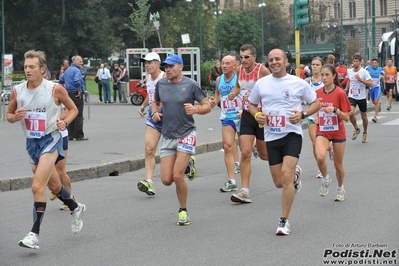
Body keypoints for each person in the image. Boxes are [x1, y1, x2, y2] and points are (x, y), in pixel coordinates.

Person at [6, 50, 86, 249]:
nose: (28, 70)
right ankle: (76, 208)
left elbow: (73, 109)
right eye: (25, 67)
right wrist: (14, 117)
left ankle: (34, 235)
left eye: (32, 67)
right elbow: (8, 114)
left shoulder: (54, 89)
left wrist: (64, 122)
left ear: (42, 69)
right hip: (32, 143)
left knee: (37, 186)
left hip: (51, 139)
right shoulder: (18, 90)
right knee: (53, 186)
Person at [248, 48, 321, 235]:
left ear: (286, 61)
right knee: (279, 182)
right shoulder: (262, 83)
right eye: (271, 59)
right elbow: (251, 104)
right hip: (271, 135)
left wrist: (303, 114)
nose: (274, 62)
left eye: (277, 59)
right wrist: (257, 114)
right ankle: (296, 176)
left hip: (292, 134)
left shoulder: (298, 83)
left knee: (285, 177)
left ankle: (284, 221)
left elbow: (316, 103)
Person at [151, 54, 211, 225]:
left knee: (177, 176)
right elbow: (155, 102)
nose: (167, 70)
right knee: (166, 180)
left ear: (180, 67)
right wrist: (155, 112)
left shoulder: (190, 85)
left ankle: (183, 210)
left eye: (170, 66)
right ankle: (188, 164)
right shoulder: (161, 84)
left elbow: (207, 105)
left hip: (186, 133)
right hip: (168, 135)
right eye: (165, 67)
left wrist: (197, 110)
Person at [226, 44, 271, 203]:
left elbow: (271, 90)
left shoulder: (262, 71)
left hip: (261, 116)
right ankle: (244, 191)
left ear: (254, 57)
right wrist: (234, 93)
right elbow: (239, 86)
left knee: (265, 155)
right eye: (241, 57)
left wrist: (257, 95)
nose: (243, 60)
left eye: (246, 57)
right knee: (245, 152)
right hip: (246, 114)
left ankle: (293, 170)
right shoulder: (239, 71)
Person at [314, 64, 351, 201]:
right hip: (323, 130)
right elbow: (316, 109)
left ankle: (340, 188)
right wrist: (317, 116)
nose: (324, 78)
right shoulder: (317, 93)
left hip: (338, 132)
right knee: (319, 157)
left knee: (338, 165)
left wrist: (335, 110)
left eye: (327, 75)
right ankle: (325, 178)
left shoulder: (340, 93)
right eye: (322, 75)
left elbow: (347, 117)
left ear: (334, 76)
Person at [209, 55, 242, 196]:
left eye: (228, 63)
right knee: (228, 147)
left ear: (235, 65)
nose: (224, 66)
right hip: (227, 117)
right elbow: (218, 95)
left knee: (245, 150)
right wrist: (212, 101)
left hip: (242, 116)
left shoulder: (240, 78)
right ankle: (232, 181)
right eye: (223, 63)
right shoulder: (219, 79)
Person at [136, 52, 166, 196]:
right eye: (145, 63)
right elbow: (151, 93)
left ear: (157, 64)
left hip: (169, 117)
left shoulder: (165, 77)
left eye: (150, 62)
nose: (147, 65)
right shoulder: (148, 78)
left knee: (179, 150)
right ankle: (149, 182)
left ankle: (189, 161)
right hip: (153, 117)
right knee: (149, 149)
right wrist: (143, 105)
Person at [304, 57, 333, 179]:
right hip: (312, 115)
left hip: (325, 115)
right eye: (313, 64)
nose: (314, 66)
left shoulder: (325, 81)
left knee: (323, 142)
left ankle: (330, 147)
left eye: (317, 64)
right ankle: (320, 167)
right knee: (315, 143)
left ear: (322, 66)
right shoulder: (306, 82)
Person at [49, 104, 77, 211]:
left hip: (60, 135)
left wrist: (57, 120)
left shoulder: (56, 90)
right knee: (47, 170)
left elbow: (69, 110)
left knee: (60, 170)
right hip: (43, 138)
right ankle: (58, 188)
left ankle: (70, 198)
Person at [345, 53, 373, 143]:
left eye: (357, 61)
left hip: (361, 97)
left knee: (364, 116)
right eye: (354, 61)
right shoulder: (349, 71)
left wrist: (361, 80)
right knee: (350, 113)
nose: (355, 63)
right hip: (352, 96)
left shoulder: (364, 72)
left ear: (360, 62)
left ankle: (365, 133)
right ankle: (356, 128)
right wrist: (346, 88)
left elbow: (371, 83)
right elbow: (349, 79)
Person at [59, 55, 88, 141]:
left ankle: (70, 134)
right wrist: (79, 90)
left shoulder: (67, 70)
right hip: (76, 93)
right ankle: (78, 135)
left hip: (68, 93)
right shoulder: (76, 70)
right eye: (80, 61)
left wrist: (64, 90)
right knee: (78, 113)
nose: (81, 63)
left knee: (70, 113)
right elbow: (77, 80)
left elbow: (61, 80)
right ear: (75, 62)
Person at [367, 58, 383, 123]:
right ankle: (378, 105)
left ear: (377, 63)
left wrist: (382, 76)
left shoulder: (380, 69)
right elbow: (364, 75)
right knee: (374, 102)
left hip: (377, 87)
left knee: (376, 101)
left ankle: (375, 116)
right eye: (373, 63)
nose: (374, 64)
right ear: (371, 63)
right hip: (371, 88)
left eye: (375, 63)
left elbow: (384, 74)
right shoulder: (368, 69)